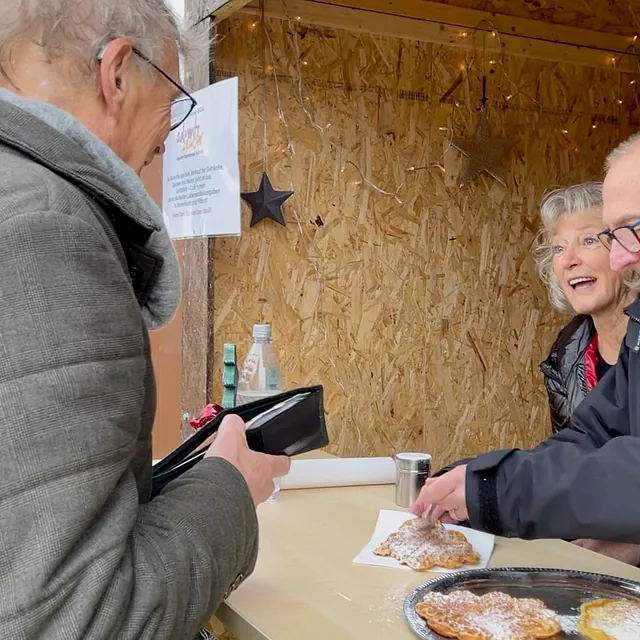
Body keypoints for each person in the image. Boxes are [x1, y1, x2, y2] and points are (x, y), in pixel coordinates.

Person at [0, 1, 289, 638]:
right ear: (119, 73)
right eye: (175, 98)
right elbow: (76, 617)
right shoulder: (47, 230)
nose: (167, 140)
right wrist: (229, 487)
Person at [411, 132, 640, 553]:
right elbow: (586, 441)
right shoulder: (572, 348)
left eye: (594, 239)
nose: (569, 258)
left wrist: (496, 489)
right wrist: (475, 476)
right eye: (557, 247)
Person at [535, 182, 637, 433]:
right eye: (559, 248)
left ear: (626, 251)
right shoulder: (565, 354)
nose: (569, 260)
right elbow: (566, 459)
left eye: (588, 241)